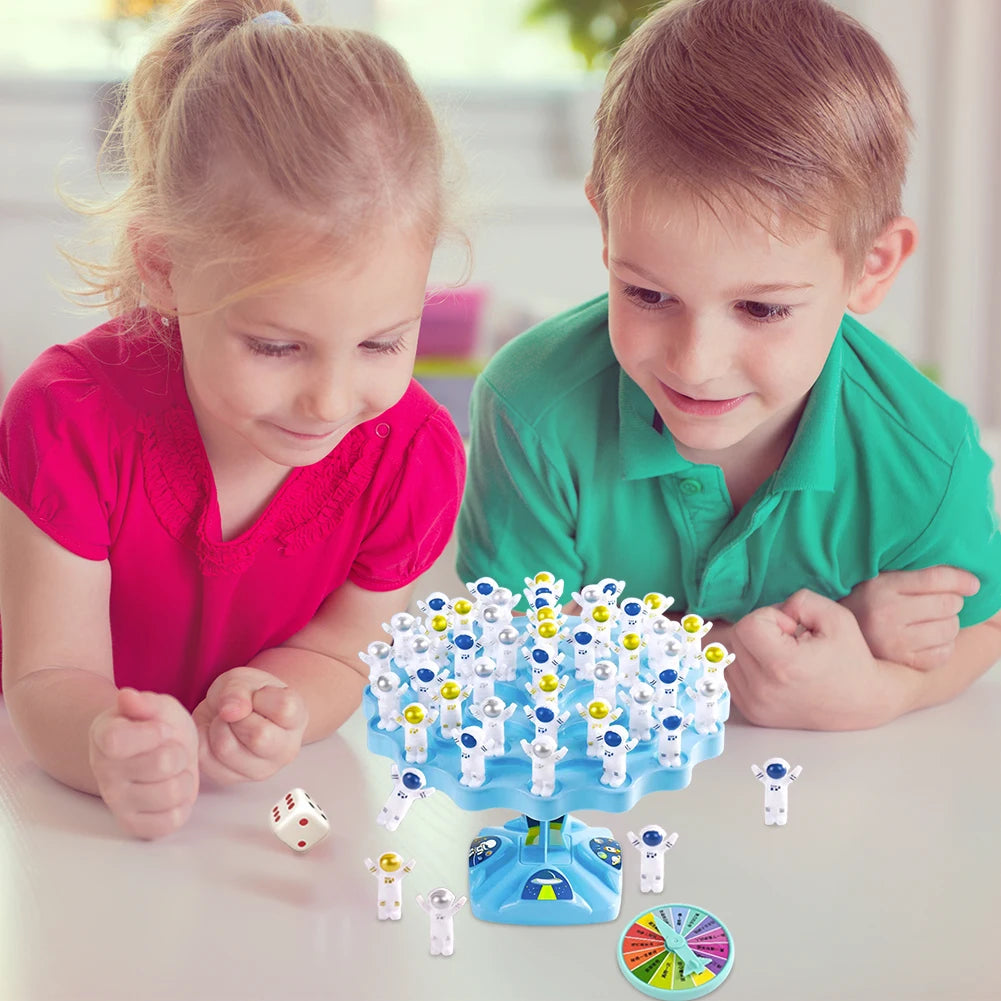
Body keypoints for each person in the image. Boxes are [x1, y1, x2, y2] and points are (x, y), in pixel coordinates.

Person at [456, 0, 1001, 731]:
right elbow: (507, 652)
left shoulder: (924, 457)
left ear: (870, 267)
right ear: (605, 224)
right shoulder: (531, 407)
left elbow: (983, 627)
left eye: (761, 309)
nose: (695, 362)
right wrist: (814, 632)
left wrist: (879, 690)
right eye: (648, 294)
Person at [0, 1, 466, 838]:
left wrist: (283, 701)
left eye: (382, 341)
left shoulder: (411, 456)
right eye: (278, 346)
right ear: (165, 268)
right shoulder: (68, 417)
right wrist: (105, 741)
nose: (330, 401)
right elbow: (48, 674)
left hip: (246, 824)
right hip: (53, 824)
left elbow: (346, 646)